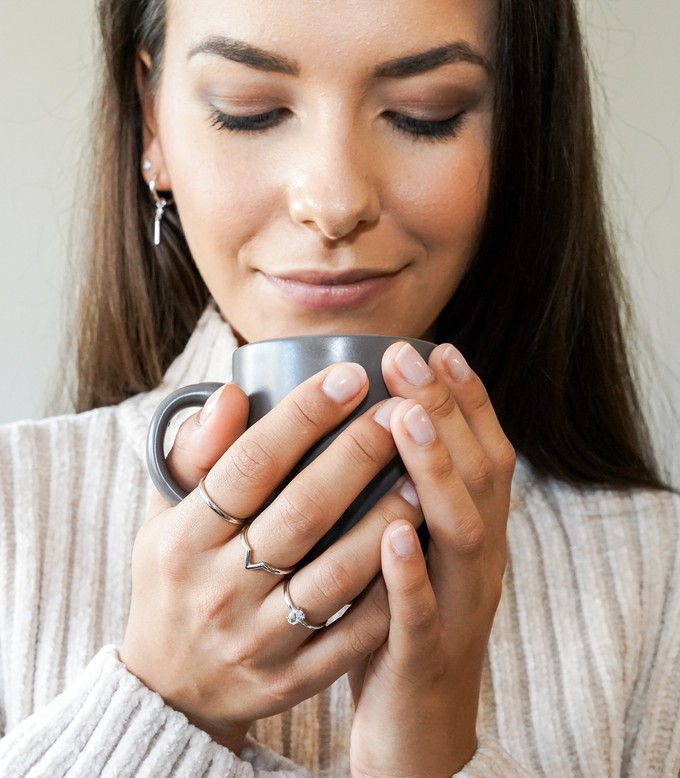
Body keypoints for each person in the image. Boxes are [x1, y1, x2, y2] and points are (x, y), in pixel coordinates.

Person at [0, 0, 678, 775]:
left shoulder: (658, 578)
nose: (334, 201)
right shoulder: (11, 517)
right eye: (249, 112)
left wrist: (429, 751)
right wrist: (163, 705)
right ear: (153, 123)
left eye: (426, 115)